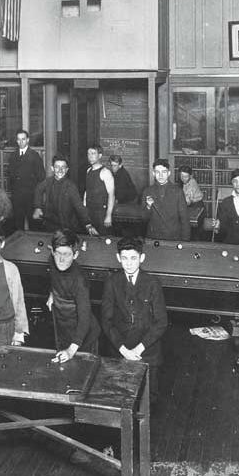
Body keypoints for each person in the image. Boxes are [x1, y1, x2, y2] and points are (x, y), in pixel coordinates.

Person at [100, 237, 167, 392]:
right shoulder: (111, 282)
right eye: (124, 258)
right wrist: (123, 350)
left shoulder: (153, 283)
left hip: (147, 351)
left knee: (149, 398)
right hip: (119, 349)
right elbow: (106, 321)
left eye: (133, 258)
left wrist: (138, 349)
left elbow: (161, 322)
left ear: (141, 258)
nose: (129, 263)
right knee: (118, 393)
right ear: (118, 258)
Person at [46, 230, 100, 362]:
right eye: (58, 253)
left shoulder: (80, 281)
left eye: (67, 254)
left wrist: (71, 350)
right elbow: (53, 278)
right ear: (52, 252)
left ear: (75, 255)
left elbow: (84, 319)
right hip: (63, 329)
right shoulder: (52, 261)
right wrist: (52, 293)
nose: (61, 259)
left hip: (84, 338)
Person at [33, 155, 97, 235]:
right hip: (50, 225)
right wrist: (38, 207)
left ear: (67, 170)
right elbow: (38, 189)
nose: (60, 170)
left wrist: (88, 224)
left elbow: (79, 206)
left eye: (63, 167)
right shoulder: (47, 182)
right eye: (57, 167)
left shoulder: (71, 186)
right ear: (52, 168)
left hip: (67, 227)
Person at [141, 159, 190, 240]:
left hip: (173, 237)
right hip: (153, 237)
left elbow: (184, 219)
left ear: (168, 173)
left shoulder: (178, 191)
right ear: (153, 173)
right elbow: (144, 218)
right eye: (157, 172)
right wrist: (148, 206)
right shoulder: (147, 191)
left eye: (164, 172)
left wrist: (185, 241)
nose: (160, 175)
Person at [8, 129, 46, 230]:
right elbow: (11, 177)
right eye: (19, 140)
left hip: (31, 197)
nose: (21, 142)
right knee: (18, 225)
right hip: (17, 198)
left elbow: (42, 177)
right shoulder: (13, 156)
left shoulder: (34, 156)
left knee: (33, 225)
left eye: (23, 139)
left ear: (28, 140)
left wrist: (36, 196)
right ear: (16, 141)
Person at [84, 145, 115, 235]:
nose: (90, 156)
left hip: (101, 214)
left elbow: (111, 195)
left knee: (102, 239)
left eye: (93, 153)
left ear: (100, 156)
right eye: (88, 154)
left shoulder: (105, 172)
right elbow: (87, 192)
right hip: (90, 212)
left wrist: (108, 215)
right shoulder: (88, 170)